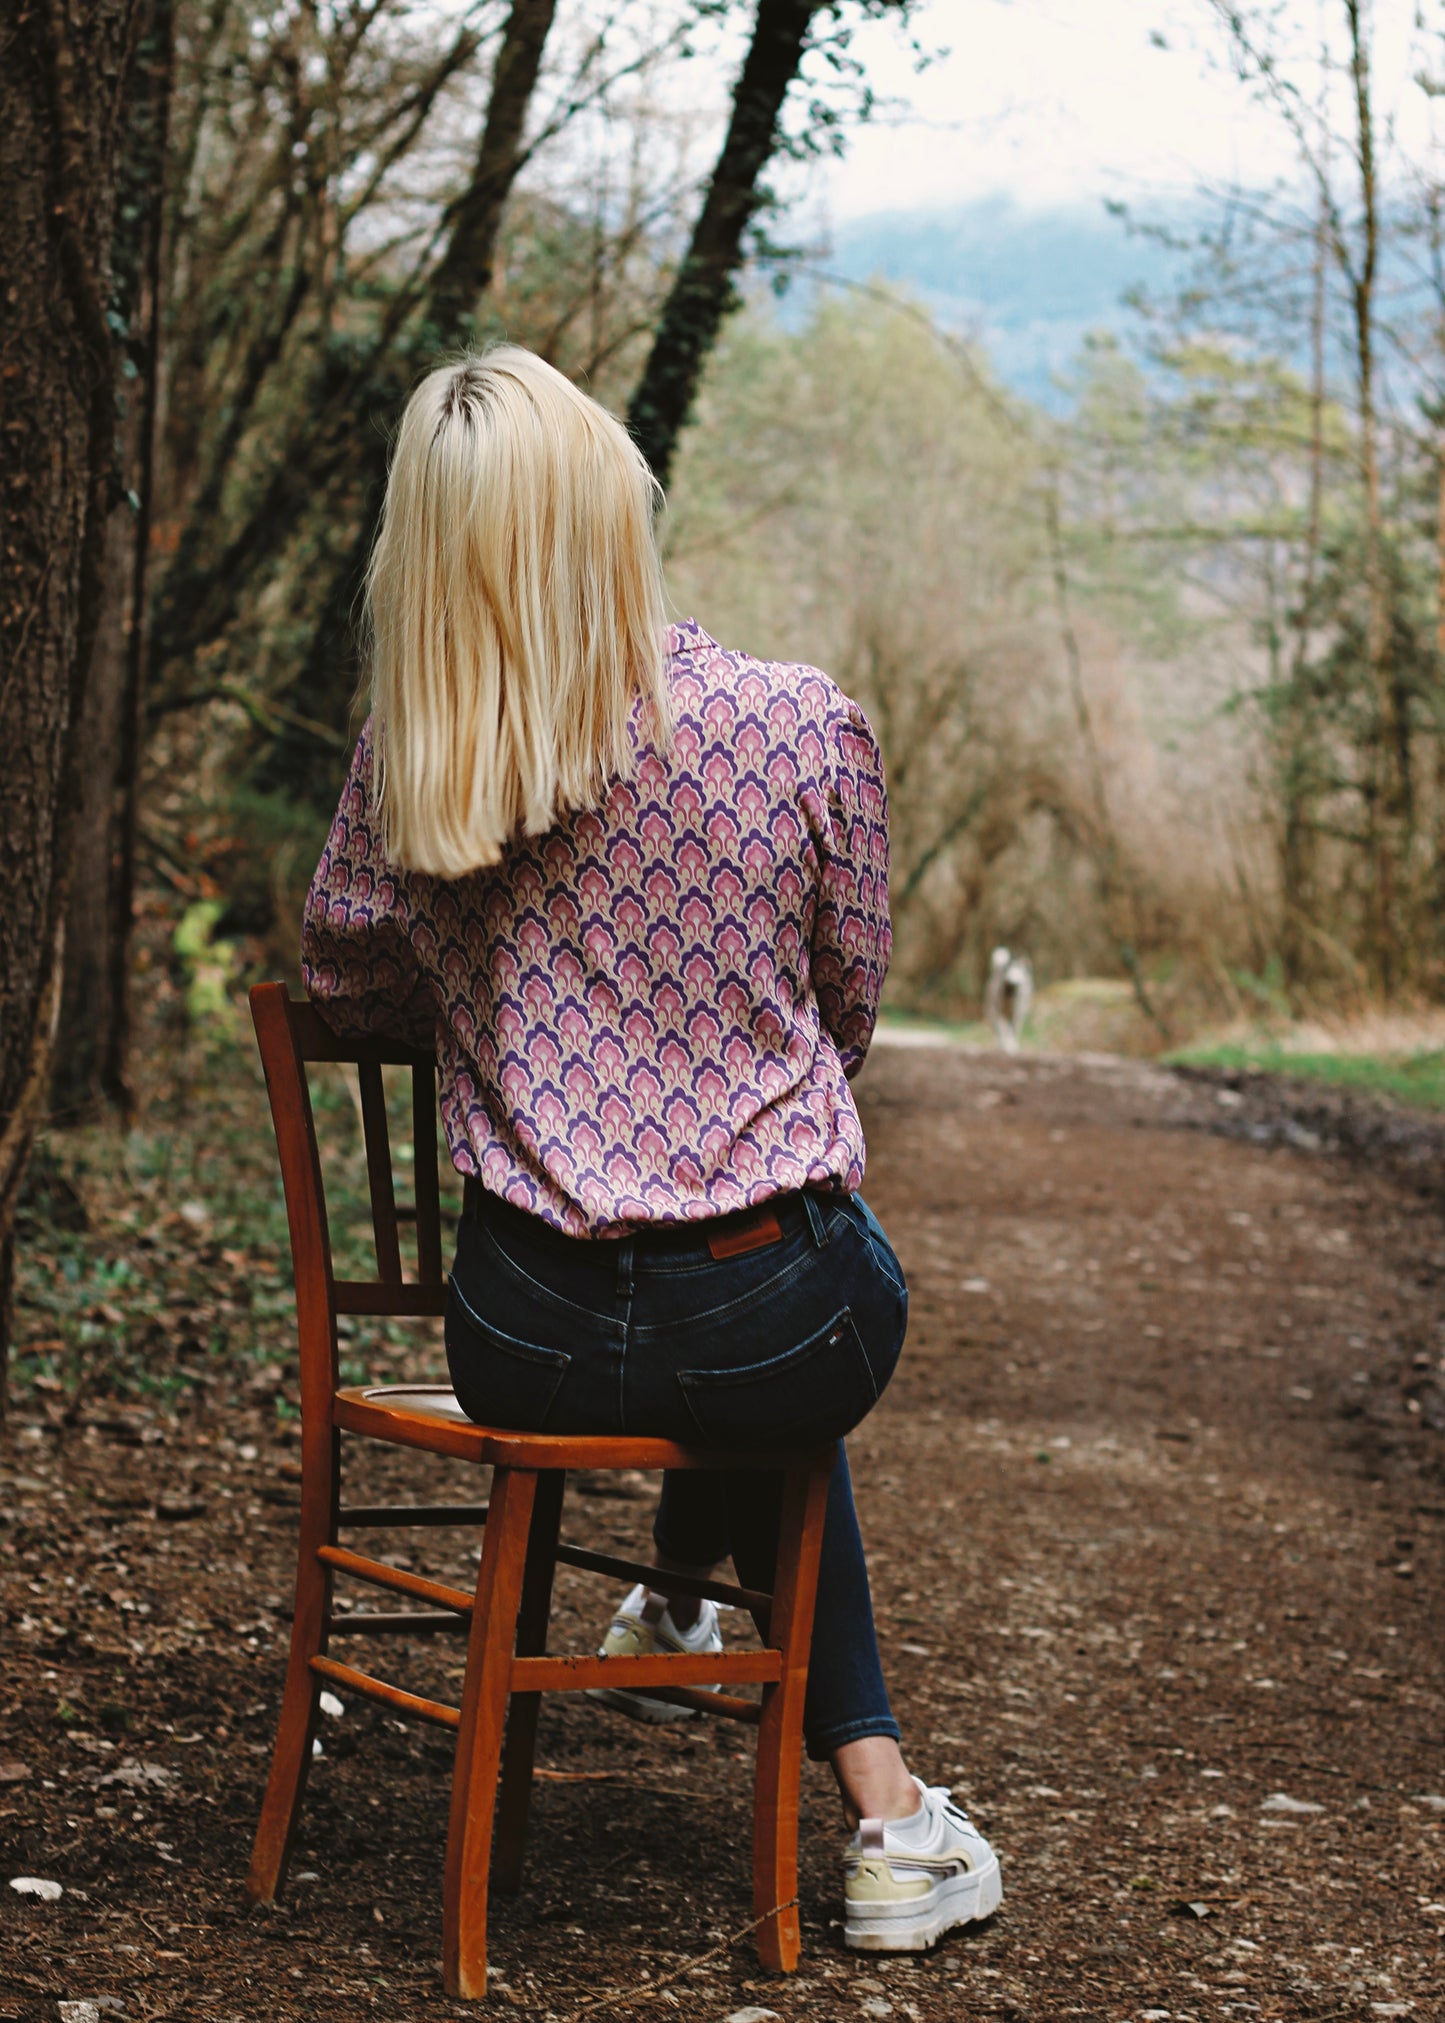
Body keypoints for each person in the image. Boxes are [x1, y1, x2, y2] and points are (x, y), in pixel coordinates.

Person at [300, 346, 1001, 1953]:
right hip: (775, 1317)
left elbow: (345, 980)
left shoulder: (416, 766)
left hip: (524, 1338)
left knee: (688, 1347)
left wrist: (507, 991)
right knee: (763, 1348)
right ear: (614, 514)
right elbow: (847, 1007)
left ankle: (680, 1596)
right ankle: (888, 1824)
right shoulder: (794, 726)